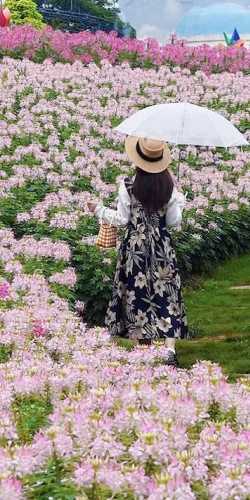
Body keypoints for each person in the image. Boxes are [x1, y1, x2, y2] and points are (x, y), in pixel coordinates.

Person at [84, 134, 188, 364]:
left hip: (135, 246)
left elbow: (122, 220)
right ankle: (169, 351)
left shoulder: (128, 185)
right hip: (161, 246)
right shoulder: (169, 187)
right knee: (166, 294)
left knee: (137, 296)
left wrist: (99, 210)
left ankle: (146, 351)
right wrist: (178, 201)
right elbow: (173, 222)